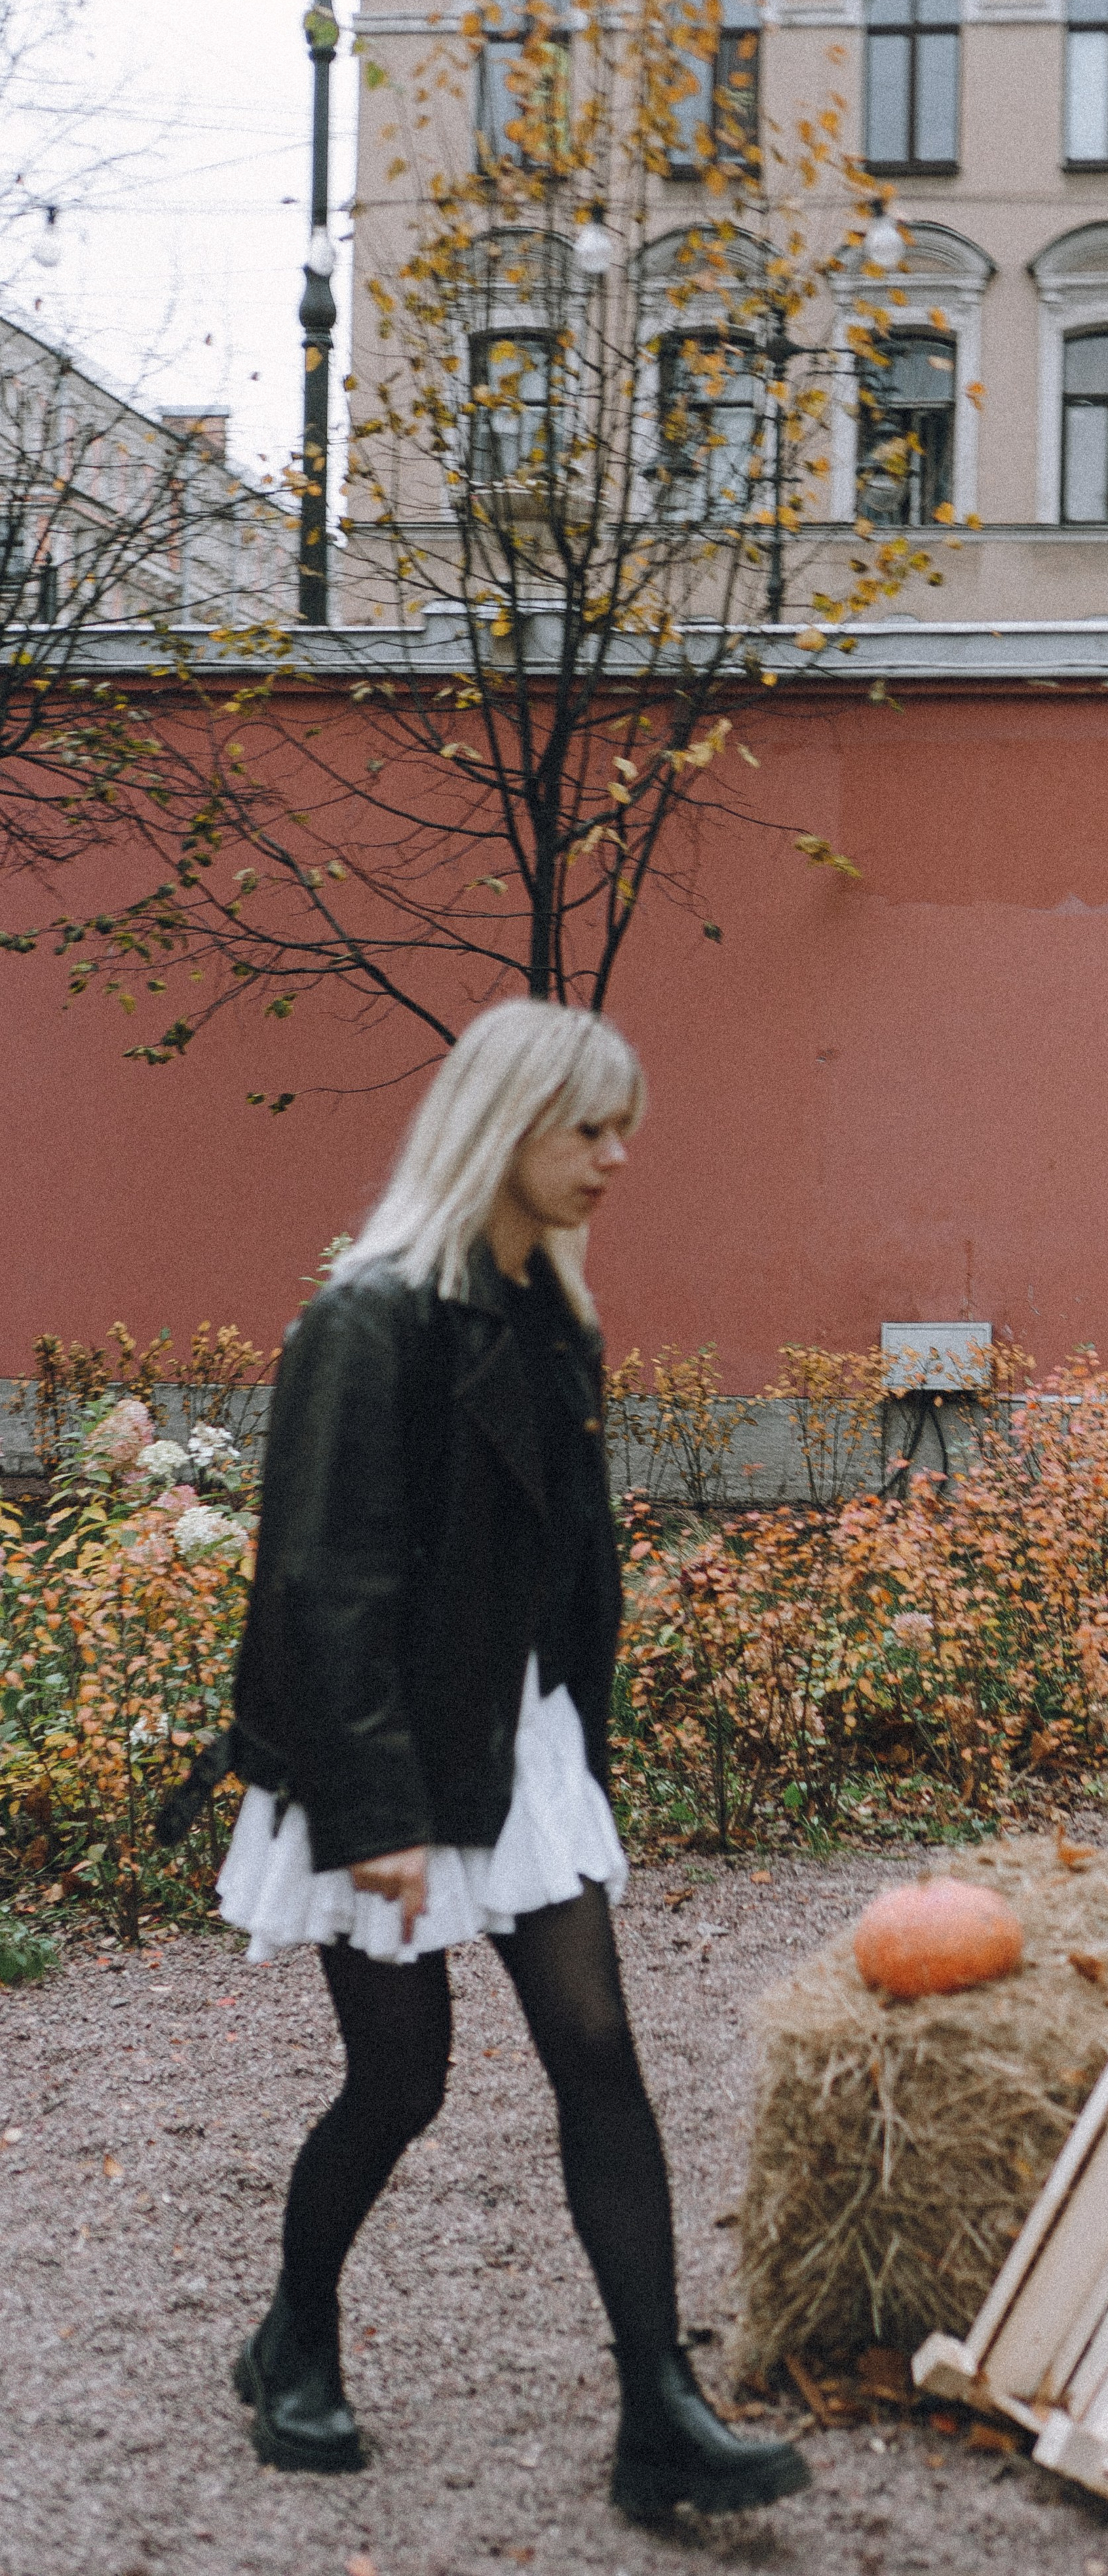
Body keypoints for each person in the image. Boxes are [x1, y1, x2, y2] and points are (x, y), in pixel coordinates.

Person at [213, 1001, 809, 2521]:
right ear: (504, 1127)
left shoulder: (547, 1311)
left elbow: (556, 1569)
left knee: (597, 2060)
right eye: (587, 1128)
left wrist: (576, 1752)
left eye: (624, 1129)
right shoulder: (370, 1317)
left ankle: (657, 2412)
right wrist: (375, 1816)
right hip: (390, 1758)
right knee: (398, 2082)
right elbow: (321, 1584)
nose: (615, 1159)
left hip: (518, 1743)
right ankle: (293, 2333)